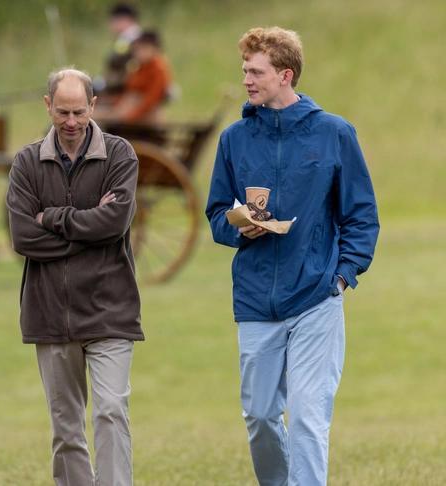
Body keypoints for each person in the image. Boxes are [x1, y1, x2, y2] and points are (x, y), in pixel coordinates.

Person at [205, 27, 379, 485]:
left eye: (256, 72)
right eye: (245, 70)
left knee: (306, 419)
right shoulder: (234, 139)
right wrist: (242, 226)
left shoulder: (334, 133)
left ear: (285, 75)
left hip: (316, 296)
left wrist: (340, 277)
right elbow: (216, 215)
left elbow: (361, 217)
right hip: (256, 299)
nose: (246, 80)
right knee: (261, 418)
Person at [5, 68, 144, 486]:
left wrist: (55, 218)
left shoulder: (120, 155)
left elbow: (115, 222)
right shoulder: (27, 163)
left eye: (79, 112)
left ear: (93, 106)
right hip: (50, 316)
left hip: (110, 312)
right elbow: (23, 237)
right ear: (48, 106)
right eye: (62, 112)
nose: (71, 121)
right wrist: (90, 230)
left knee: (110, 411)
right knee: (66, 431)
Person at [95, 29, 173, 125]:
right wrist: (112, 101)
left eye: (141, 49)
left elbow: (151, 99)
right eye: (136, 49)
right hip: (126, 108)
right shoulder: (140, 66)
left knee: (95, 116)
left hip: (145, 115)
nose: (136, 52)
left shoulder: (159, 69)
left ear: (152, 49)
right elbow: (129, 90)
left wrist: (129, 116)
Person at [95, 2, 142, 100]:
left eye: (113, 20)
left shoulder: (129, 40)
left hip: (125, 86)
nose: (110, 25)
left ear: (125, 20)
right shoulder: (137, 36)